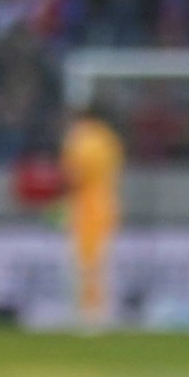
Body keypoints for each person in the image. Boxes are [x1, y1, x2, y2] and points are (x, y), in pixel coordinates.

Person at [60, 103, 125, 328]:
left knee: (85, 265)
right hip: (107, 204)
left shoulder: (81, 139)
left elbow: (73, 176)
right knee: (101, 263)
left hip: (85, 208)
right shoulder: (109, 139)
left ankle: (88, 316)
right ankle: (100, 313)